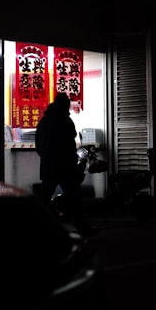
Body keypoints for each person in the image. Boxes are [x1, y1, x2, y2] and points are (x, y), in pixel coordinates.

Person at [34, 92, 96, 236]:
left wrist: (46, 157)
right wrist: (74, 162)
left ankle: (36, 227)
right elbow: (69, 144)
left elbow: (38, 145)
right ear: (64, 105)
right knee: (74, 198)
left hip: (49, 166)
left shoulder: (44, 121)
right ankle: (82, 227)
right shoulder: (65, 121)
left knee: (44, 198)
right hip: (65, 167)